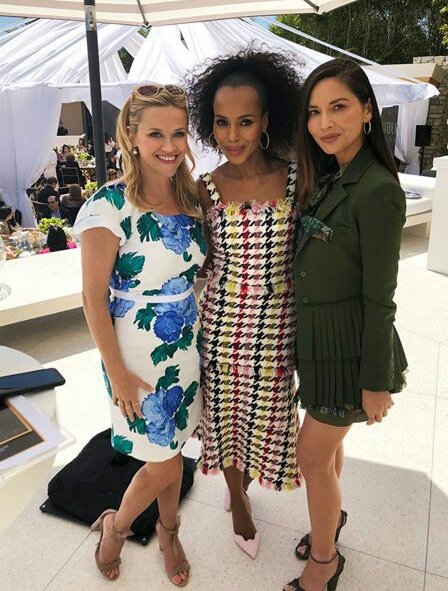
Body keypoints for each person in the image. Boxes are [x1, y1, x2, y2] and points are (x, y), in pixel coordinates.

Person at [73, 83, 206, 586]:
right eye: (155, 134)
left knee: (169, 453)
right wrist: (118, 374)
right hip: (134, 351)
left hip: (185, 343)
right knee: (163, 462)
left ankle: (169, 531)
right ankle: (118, 526)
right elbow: (92, 298)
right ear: (131, 136)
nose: (169, 146)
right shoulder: (108, 206)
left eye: (178, 133)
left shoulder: (189, 197)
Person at [283, 58, 408, 591]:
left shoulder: (377, 189)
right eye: (314, 112)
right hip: (319, 343)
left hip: (351, 348)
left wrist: (375, 382)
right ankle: (328, 521)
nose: (324, 123)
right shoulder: (332, 175)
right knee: (328, 451)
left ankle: (325, 562)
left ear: (367, 112)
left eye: (338, 107)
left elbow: (381, 299)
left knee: (310, 456)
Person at [186, 49, 302, 559]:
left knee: (267, 419)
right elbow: (201, 260)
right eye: (222, 122)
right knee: (226, 420)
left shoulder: (297, 178)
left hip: (278, 329)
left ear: (267, 121)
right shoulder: (206, 188)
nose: (232, 135)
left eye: (245, 122)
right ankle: (236, 500)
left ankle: (249, 484)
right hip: (222, 328)